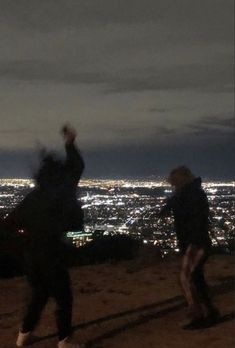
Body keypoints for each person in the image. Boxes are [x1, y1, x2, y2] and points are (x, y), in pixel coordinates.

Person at [4, 125, 84, 347]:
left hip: (32, 256)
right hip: (52, 254)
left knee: (38, 296)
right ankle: (65, 341)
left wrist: (24, 240)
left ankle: (23, 337)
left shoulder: (33, 198)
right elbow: (76, 168)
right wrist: (70, 143)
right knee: (64, 299)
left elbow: (9, 224)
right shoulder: (61, 195)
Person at [158, 166, 220, 330]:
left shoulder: (192, 194)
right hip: (193, 242)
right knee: (196, 278)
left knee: (186, 278)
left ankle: (200, 314)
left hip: (196, 242)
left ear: (180, 180)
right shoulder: (186, 193)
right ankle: (209, 312)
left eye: (174, 181)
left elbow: (196, 219)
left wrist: (192, 241)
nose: (172, 184)